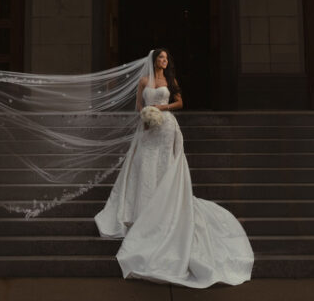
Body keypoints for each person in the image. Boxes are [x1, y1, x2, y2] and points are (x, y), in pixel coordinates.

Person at [95, 48, 254, 287]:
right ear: (153, 60)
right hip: (148, 128)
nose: (163, 61)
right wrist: (146, 115)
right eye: (160, 58)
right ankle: (143, 211)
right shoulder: (144, 80)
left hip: (167, 126)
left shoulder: (170, 80)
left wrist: (161, 109)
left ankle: (166, 206)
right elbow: (139, 106)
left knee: (164, 165)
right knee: (144, 166)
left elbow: (180, 102)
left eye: (166, 58)